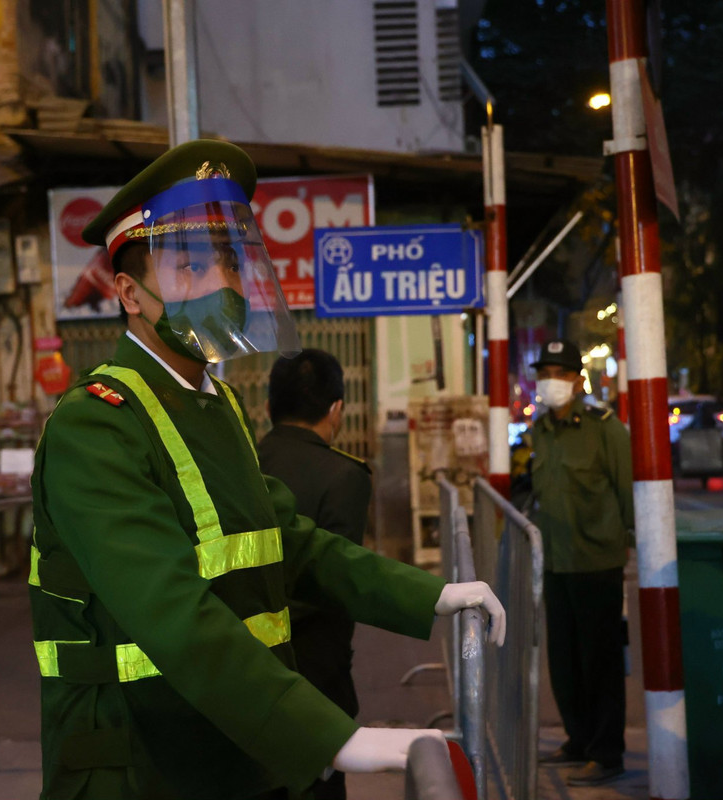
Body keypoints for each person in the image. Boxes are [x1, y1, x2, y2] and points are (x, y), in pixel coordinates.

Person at [28, 139, 507, 800]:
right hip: (137, 762)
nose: (219, 283)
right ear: (129, 293)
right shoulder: (95, 424)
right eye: (190, 266)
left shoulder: (215, 402)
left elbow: (289, 540)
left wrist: (431, 596)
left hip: (230, 749)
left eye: (227, 261)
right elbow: (171, 611)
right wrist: (329, 737)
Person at [257, 348, 370, 800]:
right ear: (336, 409)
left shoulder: (242, 464)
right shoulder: (345, 476)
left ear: (269, 406)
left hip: (242, 674)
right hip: (317, 680)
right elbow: (338, 580)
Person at [529, 338, 633, 787]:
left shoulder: (604, 429)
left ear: (577, 380)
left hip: (596, 562)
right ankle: (578, 738)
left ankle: (606, 754)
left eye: (560, 373)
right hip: (555, 563)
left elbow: (629, 493)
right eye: (544, 374)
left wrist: (633, 546)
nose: (551, 381)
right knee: (564, 661)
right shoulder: (540, 431)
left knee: (600, 664)